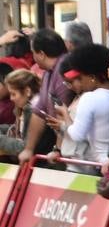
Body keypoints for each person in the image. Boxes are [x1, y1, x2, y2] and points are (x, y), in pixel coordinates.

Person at [49, 43, 109, 164]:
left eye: (80, 78)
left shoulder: (89, 98)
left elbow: (77, 135)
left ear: (92, 77)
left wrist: (65, 114)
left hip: (101, 164)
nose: (79, 83)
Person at [18, 28, 73, 164]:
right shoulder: (48, 72)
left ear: (41, 54)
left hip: (71, 146)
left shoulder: (63, 69)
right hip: (62, 142)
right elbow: (39, 111)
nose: (32, 56)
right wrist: (29, 149)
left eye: (33, 52)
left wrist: (58, 149)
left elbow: (62, 112)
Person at [0, 69, 51, 158]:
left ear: (27, 91)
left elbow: (24, 148)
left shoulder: (32, 110)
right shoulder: (26, 108)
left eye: (13, 94)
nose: (11, 98)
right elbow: (18, 129)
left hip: (40, 166)